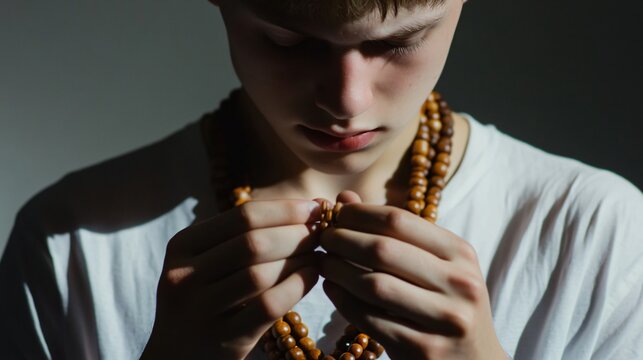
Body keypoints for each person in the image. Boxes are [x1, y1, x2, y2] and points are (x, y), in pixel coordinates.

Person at [1, 0, 641, 359]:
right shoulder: (70, 244)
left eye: (401, 41)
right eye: (285, 41)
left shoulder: (601, 238)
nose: (347, 101)